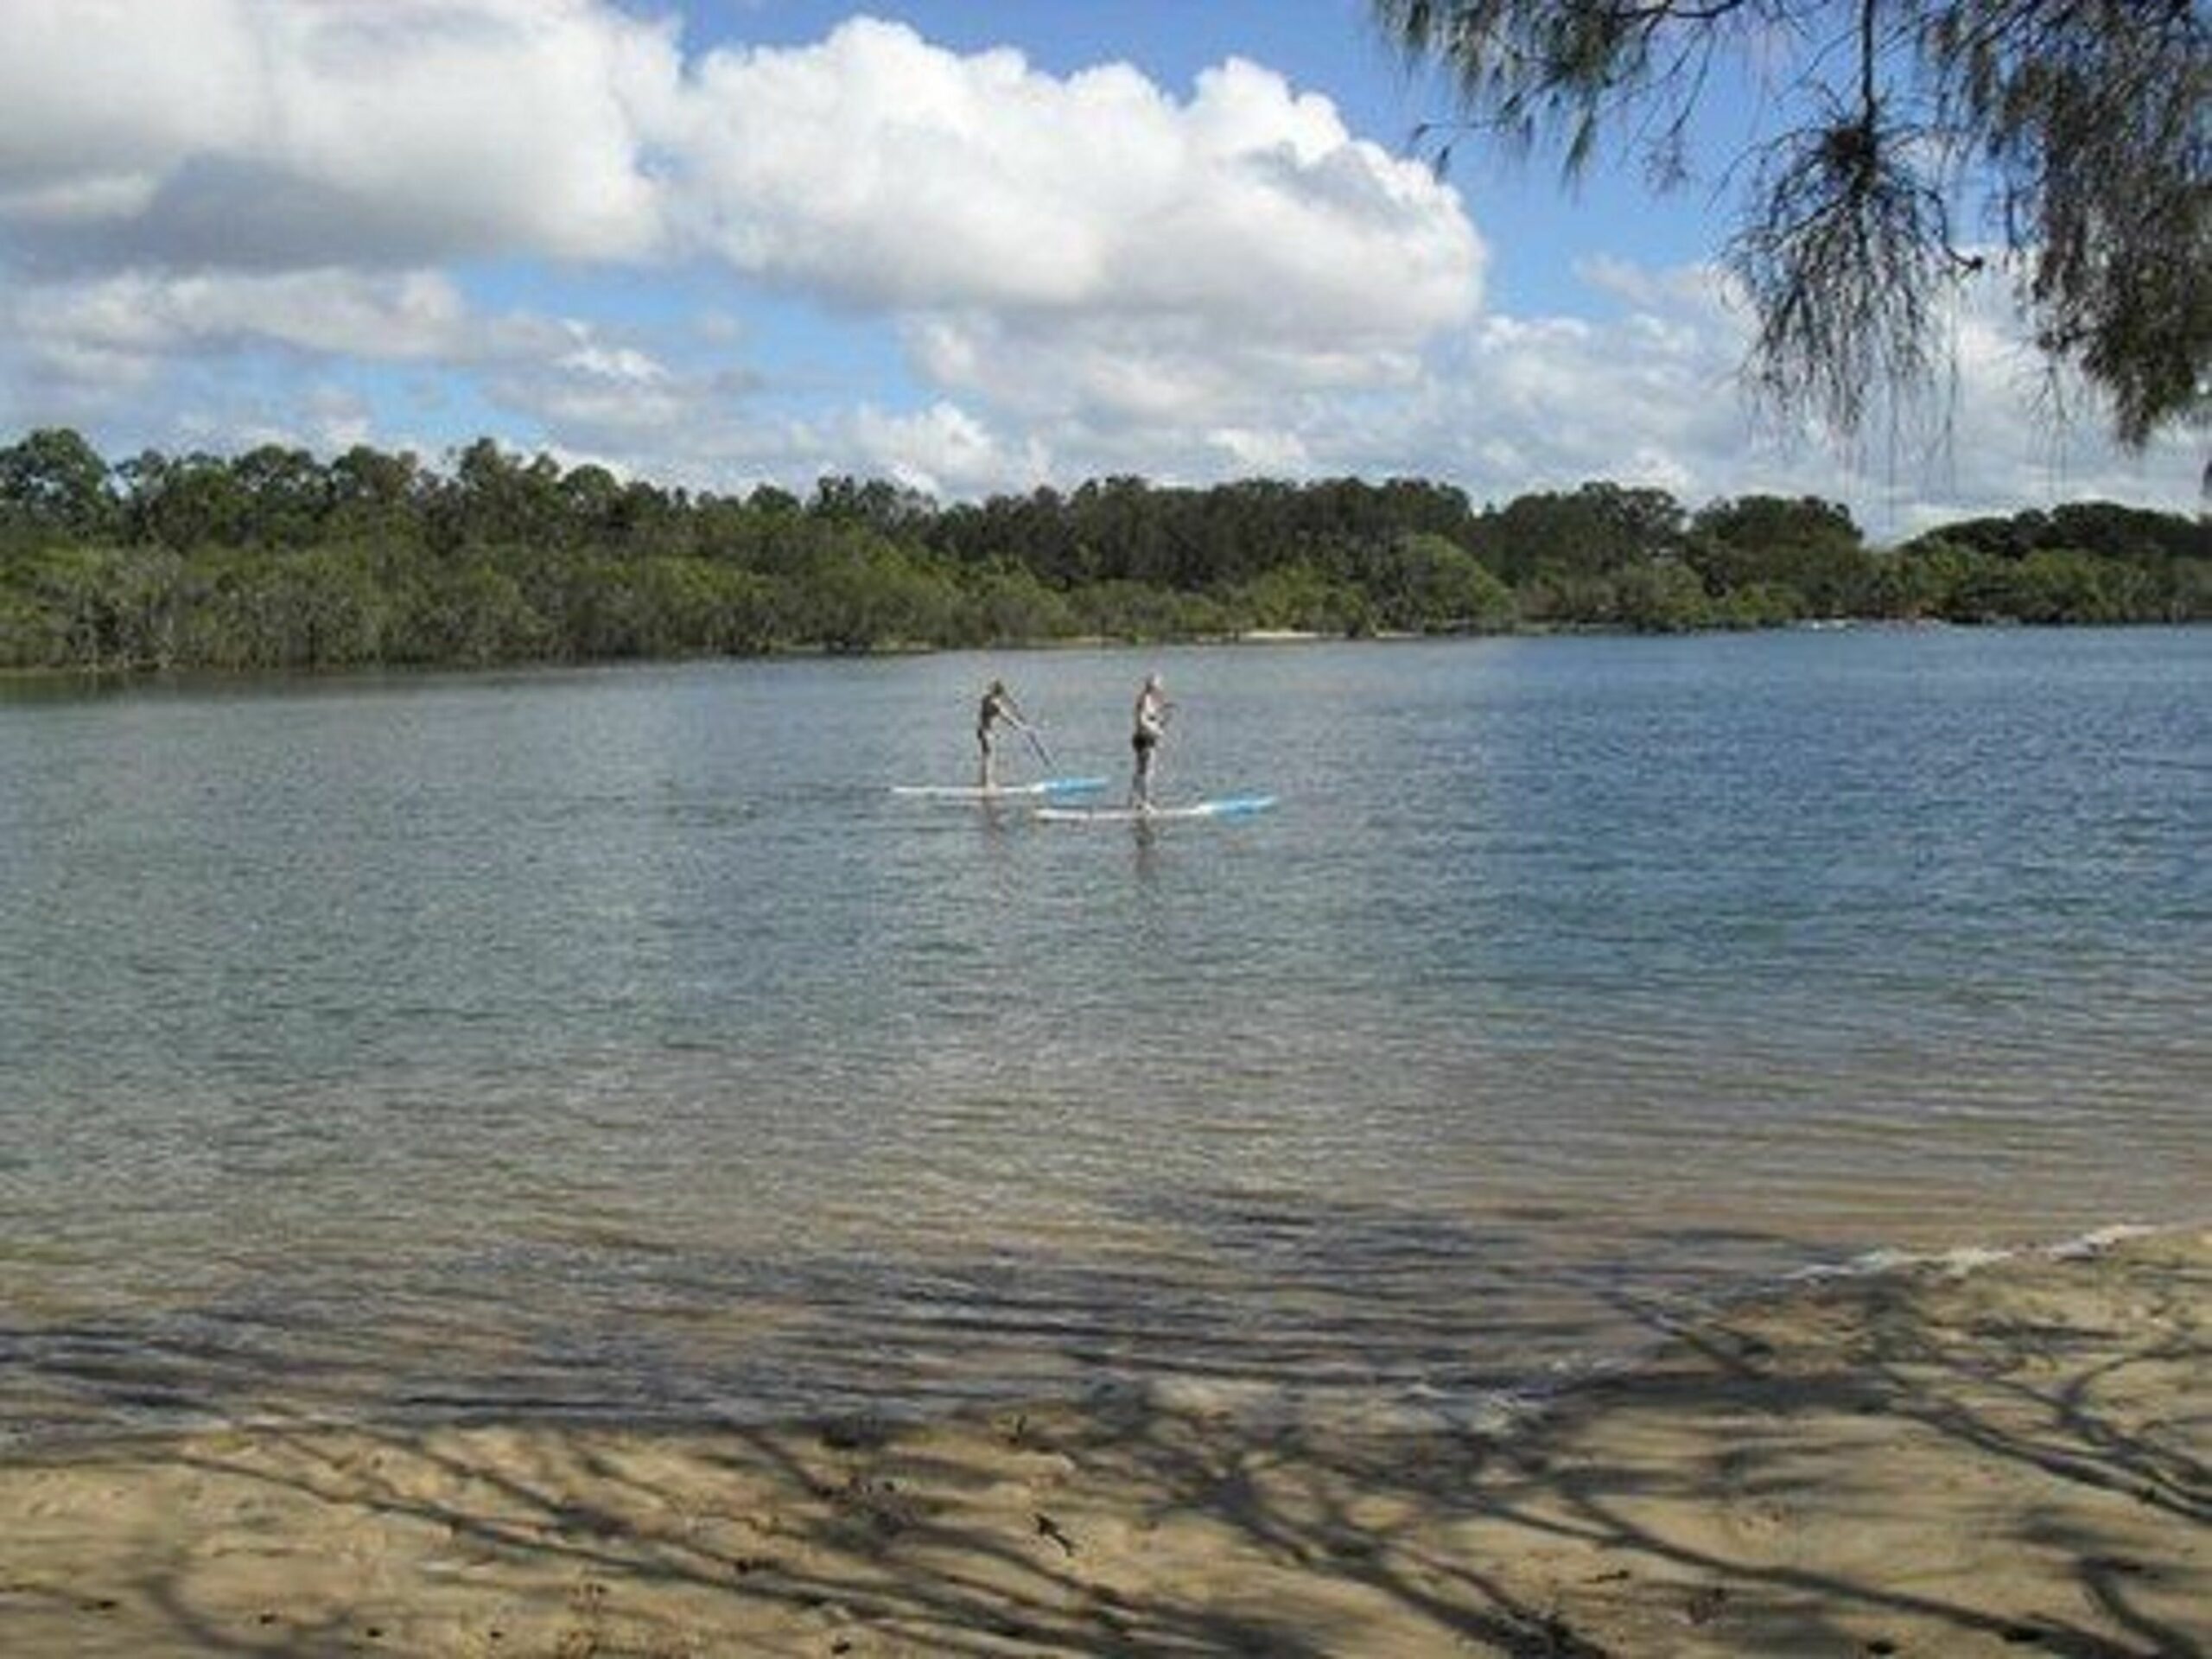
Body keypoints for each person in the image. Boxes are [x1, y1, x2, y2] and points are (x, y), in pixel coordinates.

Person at [976, 678, 1033, 788]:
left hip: (981, 731)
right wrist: (1024, 729)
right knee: (990, 758)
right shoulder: (994, 705)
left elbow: (998, 704)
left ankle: (983, 782)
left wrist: (1003, 700)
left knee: (986, 756)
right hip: (987, 732)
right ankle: (989, 784)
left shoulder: (986, 700)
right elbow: (1008, 719)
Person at [1128, 672, 1172, 810]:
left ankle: (1134, 800)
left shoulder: (1149, 700)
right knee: (1147, 772)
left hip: (1144, 738)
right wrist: (1157, 731)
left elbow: (1151, 717)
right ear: (1152, 686)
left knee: (1140, 770)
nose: (1161, 688)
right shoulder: (1145, 700)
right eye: (1159, 685)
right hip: (1145, 739)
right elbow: (1142, 720)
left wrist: (1162, 715)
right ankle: (1145, 803)